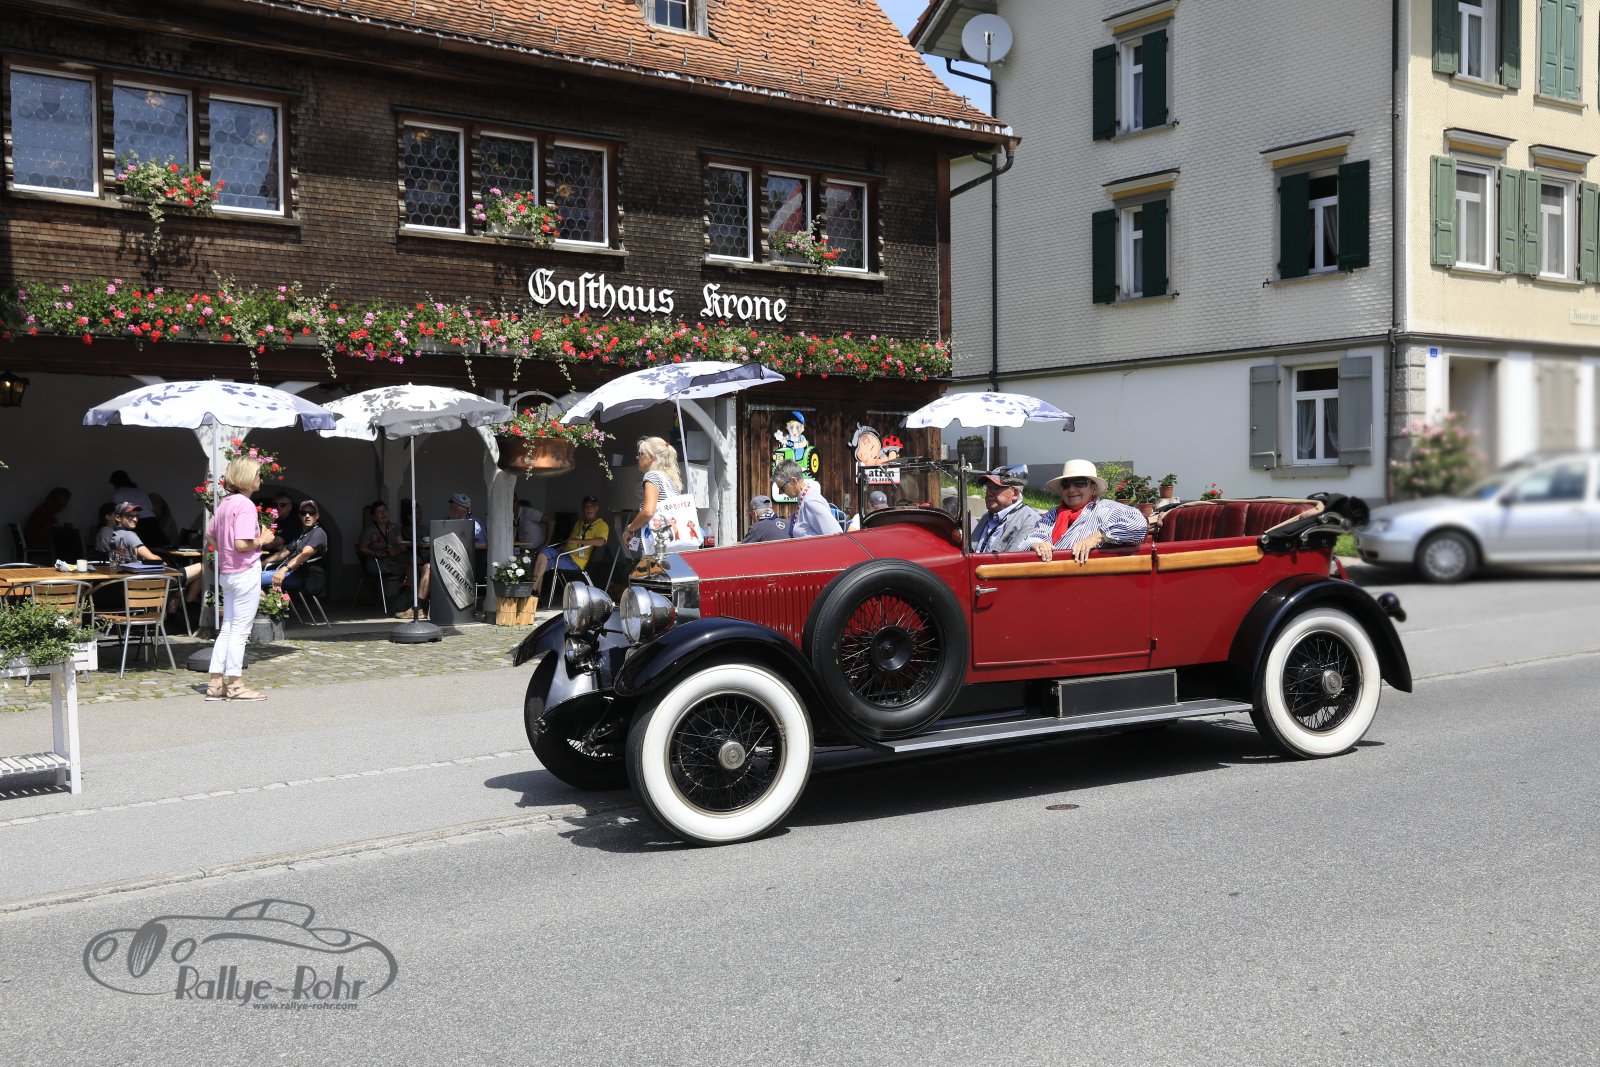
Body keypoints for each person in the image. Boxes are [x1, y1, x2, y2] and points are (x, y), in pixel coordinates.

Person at [203, 454, 273, 701]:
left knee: (228, 628)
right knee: (240, 632)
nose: (260, 479)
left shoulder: (225, 503)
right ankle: (235, 684)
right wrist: (262, 540)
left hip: (228, 573)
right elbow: (242, 543)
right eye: (257, 474)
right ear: (247, 478)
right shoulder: (245, 505)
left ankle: (215, 683)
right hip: (244, 571)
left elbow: (210, 535)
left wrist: (225, 551)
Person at [1026, 460, 1148, 564]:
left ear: (1093, 488)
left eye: (1080, 483)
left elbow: (1139, 524)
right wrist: (1038, 544)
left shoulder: (1106, 509)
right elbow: (1034, 537)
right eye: (1066, 484)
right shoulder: (1052, 515)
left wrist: (1097, 537)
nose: (1071, 489)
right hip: (1050, 576)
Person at [396, 492, 489, 617]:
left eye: (451, 507)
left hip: (467, 570)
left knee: (428, 568)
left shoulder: (473, 522)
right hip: (454, 564)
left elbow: (484, 545)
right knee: (426, 566)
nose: (450, 509)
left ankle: (420, 609)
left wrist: (461, 544)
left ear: (455, 507)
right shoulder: (454, 521)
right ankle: (420, 607)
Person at [95, 501, 204, 605]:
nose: (135, 519)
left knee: (178, 579)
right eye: (130, 516)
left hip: (131, 584)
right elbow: (153, 559)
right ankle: (190, 603)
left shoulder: (115, 536)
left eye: (136, 516)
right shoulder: (129, 536)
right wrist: (161, 561)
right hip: (149, 583)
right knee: (202, 567)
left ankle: (174, 610)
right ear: (118, 518)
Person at [528, 495, 609, 593]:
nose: (588, 508)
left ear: (596, 508)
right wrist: (558, 548)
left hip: (575, 561)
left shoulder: (601, 525)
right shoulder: (579, 522)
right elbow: (570, 542)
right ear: (582, 508)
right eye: (586, 506)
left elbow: (601, 542)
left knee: (543, 563)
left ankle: (534, 592)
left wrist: (578, 541)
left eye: (591, 506)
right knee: (542, 552)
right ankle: (535, 593)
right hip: (564, 553)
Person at [620, 436, 685, 554]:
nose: (637, 457)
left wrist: (630, 529)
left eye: (640, 453)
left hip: (660, 548)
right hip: (676, 546)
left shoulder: (652, 476)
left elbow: (648, 512)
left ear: (651, 457)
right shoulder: (669, 480)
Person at [263, 499, 328, 595]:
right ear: (299, 515)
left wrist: (283, 570)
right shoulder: (301, 534)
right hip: (291, 573)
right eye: (303, 513)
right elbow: (284, 553)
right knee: (253, 577)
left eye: (311, 513)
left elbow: (305, 554)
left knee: (254, 579)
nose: (307, 515)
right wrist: (262, 563)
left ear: (317, 516)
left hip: (304, 577)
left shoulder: (318, 532)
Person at [971, 468, 1041, 554]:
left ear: (1015, 493)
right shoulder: (987, 516)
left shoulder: (1030, 520)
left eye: (995, 488)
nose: (989, 493)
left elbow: (1013, 559)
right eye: (988, 488)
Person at [773, 458, 841, 537]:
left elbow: (835, 535)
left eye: (782, 488)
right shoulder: (804, 498)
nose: (782, 492)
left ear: (793, 481)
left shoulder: (811, 501)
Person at [357, 500, 404, 589]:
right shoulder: (369, 531)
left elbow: (402, 546)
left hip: (393, 560)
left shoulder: (394, 527)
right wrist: (374, 553)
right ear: (374, 517)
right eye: (379, 512)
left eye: (384, 510)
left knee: (411, 563)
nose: (383, 513)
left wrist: (397, 550)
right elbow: (362, 548)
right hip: (377, 563)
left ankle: (406, 592)